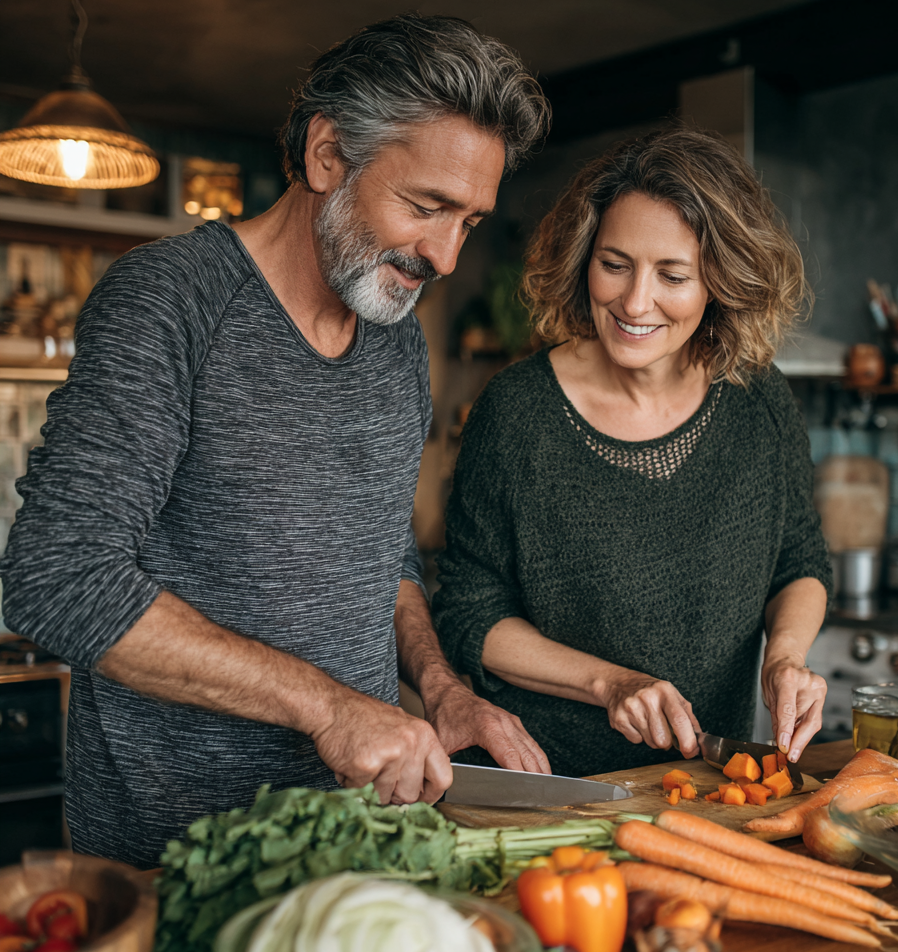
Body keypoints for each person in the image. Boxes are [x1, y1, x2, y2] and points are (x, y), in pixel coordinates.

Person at [0, 15, 552, 868]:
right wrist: (329, 708)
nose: (445, 255)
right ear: (328, 154)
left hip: (355, 842)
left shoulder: (397, 340)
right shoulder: (171, 301)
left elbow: (386, 558)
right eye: (426, 206)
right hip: (173, 855)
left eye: (471, 222)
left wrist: (441, 691)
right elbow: (57, 577)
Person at [432, 126, 832, 779]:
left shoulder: (758, 404)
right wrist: (609, 684)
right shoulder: (516, 412)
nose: (634, 301)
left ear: (719, 284)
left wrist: (784, 656)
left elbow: (799, 560)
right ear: (584, 256)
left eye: (672, 275)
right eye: (614, 264)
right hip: (545, 788)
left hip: (701, 789)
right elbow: (470, 612)